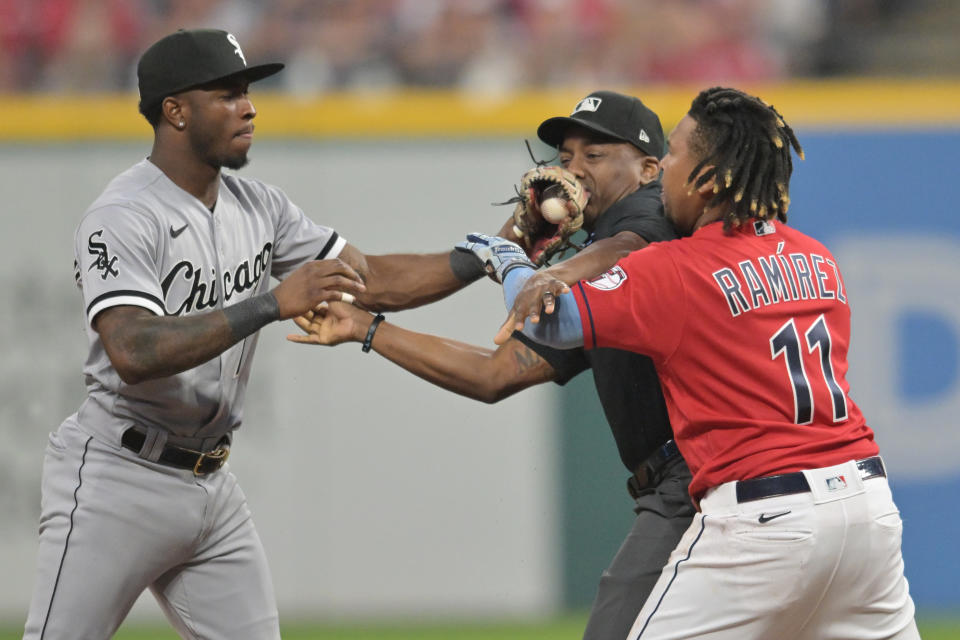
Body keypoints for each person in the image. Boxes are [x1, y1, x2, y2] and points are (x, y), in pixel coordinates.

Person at [22, 28, 493, 640]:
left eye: (247, 92)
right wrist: (271, 304)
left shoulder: (259, 205)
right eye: (226, 93)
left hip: (210, 483)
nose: (248, 107)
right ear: (176, 111)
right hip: (118, 473)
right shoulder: (123, 215)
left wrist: (492, 251)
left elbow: (373, 281)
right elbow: (133, 350)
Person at [476, 86, 919, 639]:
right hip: (867, 509)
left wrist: (510, 254)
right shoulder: (816, 256)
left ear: (708, 178)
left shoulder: (677, 267)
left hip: (764, 519)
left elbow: (553, 323)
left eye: (678, 153)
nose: (665, 168)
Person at [291, 90, 696, 640]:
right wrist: (367, 329)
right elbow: (495, 373)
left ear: (649, 168)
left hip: (697, 478)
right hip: (688, 482)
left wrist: (552, 273)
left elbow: (633, 245)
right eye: (566, 156)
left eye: (595, 156)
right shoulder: (594, 275)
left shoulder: (648, 218)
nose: (573, 170)